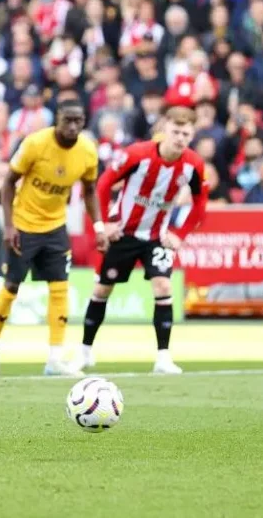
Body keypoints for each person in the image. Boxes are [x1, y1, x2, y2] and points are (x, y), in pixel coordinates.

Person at [73, 106, 208, 374]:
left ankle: (163, 358)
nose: (180, 138)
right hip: (123, 233)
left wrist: (179, 234)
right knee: (102, 289)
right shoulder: (136, 155)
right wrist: (105, 225)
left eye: (186, 134)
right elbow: (103, 184)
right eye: (176, 131)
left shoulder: (193, 165)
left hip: (156, 237)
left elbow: (200, 203)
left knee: (162, 287)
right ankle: (85, 351)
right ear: (164, 129)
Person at [0, 100, 109, 377]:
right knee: (11, 286)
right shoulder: (36, 143)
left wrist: (98, 226)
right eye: (68, 120)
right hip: (24, 226)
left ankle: (55, 357)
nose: (73, 126)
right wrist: (11, 226)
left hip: (55, 227)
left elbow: (89, 190)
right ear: (57, 120)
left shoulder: (87, 150)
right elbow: (8, 183)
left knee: (60, 287)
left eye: (79, 120)